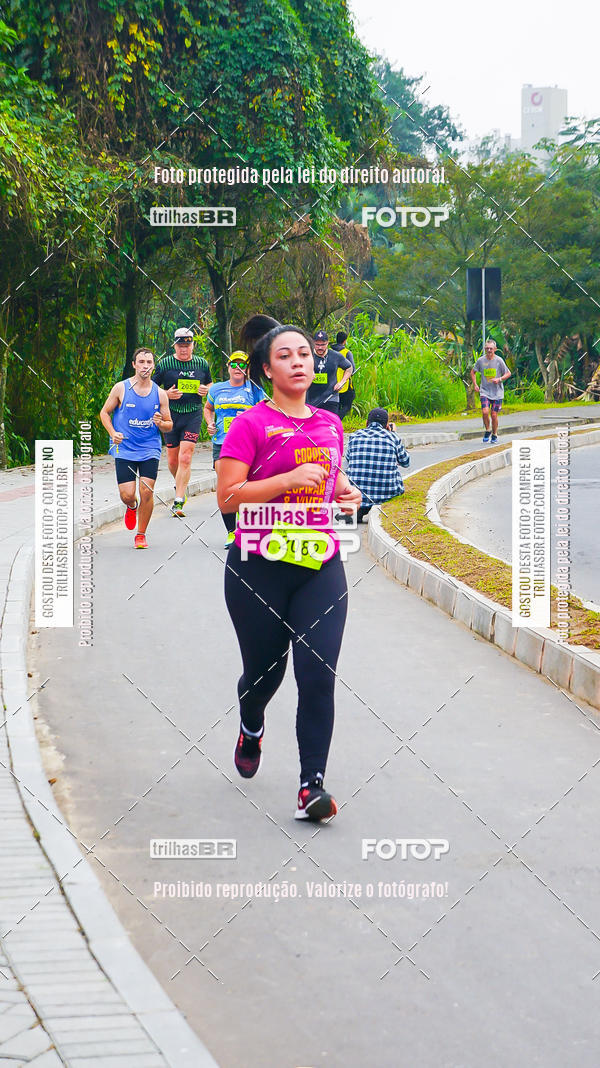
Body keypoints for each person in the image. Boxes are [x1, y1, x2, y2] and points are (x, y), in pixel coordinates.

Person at [217, 317, 361, 822]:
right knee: (265, 673)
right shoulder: (250, 425)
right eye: (285, 355)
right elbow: (228, 497)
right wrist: (287, 479)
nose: (299, 361)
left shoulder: (330, 423)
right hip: (257, 568)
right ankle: (251, 723)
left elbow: (331, 481)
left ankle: (310, 787)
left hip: (319, 564)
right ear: (266, 369)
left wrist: (346, 493)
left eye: (304, 353)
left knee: (317, 672)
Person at [99, 347, 172, 548]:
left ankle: (141, 534)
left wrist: (161, 423)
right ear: (134, 365)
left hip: (150, 448)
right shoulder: (121, 388)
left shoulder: (160, 394)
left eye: (149, 362)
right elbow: (104, 413)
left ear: (153, 366)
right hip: (125, 448)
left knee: (146, 491)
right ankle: (132, 506)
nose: (145, 366)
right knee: (128, 495)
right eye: (141, 362)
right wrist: (113, 433)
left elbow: (169, 425)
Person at [203, 350, 267, 547]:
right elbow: (208, 408)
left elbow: (266, 412)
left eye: (242, 364)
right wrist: (210, 423)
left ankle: (245, 526)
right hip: (222, 442)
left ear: (247, 368)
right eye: (233, 364)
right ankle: (231, 532)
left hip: (247, 443)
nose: (237, 368)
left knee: (245, 486)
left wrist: (249, 415)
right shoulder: (217, 389)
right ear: (228, 367)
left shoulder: (254, 389)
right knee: (226, 487)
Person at [152, 327, 212, 516]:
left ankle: (178, 501)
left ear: (193, 345)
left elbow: (209, 383)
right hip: (170, 415)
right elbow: (151, 388)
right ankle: (181, 486)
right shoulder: (165, 364)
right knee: (172, 460)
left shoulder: (201, 364)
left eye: (187, 345)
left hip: (193, 414)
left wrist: (206, 389)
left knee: (185, 457)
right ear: (174, 346)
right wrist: (166, 394)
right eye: (180, 346)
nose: (184, 349)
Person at [344, 408, 410, 523]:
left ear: (367, 423)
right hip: (385, 495)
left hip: (357, 496)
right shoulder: (392, 437)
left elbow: (349, 459)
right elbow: (406, 462)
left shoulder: (354, 436)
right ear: (387, 425)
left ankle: (358, 510)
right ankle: (378, 506)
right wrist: (393, 433)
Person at [470, 339, 511, 444]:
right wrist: (475, 384)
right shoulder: (481, 361)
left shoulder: (499, 361)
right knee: (485, 412)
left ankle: (495, 434)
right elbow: (473, 372)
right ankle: (488, 429)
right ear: (485, 349)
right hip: (485, 391)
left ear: (495, 349)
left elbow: (508, 373)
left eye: (491, 348)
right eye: (487, 348)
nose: (489, 350)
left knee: (494, 414)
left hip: (497, 393)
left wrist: (499, 379)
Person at [306, 329, 352, 415]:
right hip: (311, 399)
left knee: (330, 422)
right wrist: (307, 372)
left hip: (330, 398)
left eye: (323, 345)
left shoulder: (335, 356)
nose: (320, 347)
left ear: (327, 343)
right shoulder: (307, 356)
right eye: (317, 344)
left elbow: (349, 368)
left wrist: (342, 382)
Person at [331, 330, 356, 421]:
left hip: (331, 384)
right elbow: (352, 369)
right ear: (345, 341)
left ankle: (333, 420)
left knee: (335, 406)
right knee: (347, 405)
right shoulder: (347, 352)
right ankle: (336, 420)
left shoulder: (330, 352)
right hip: (344, 385)